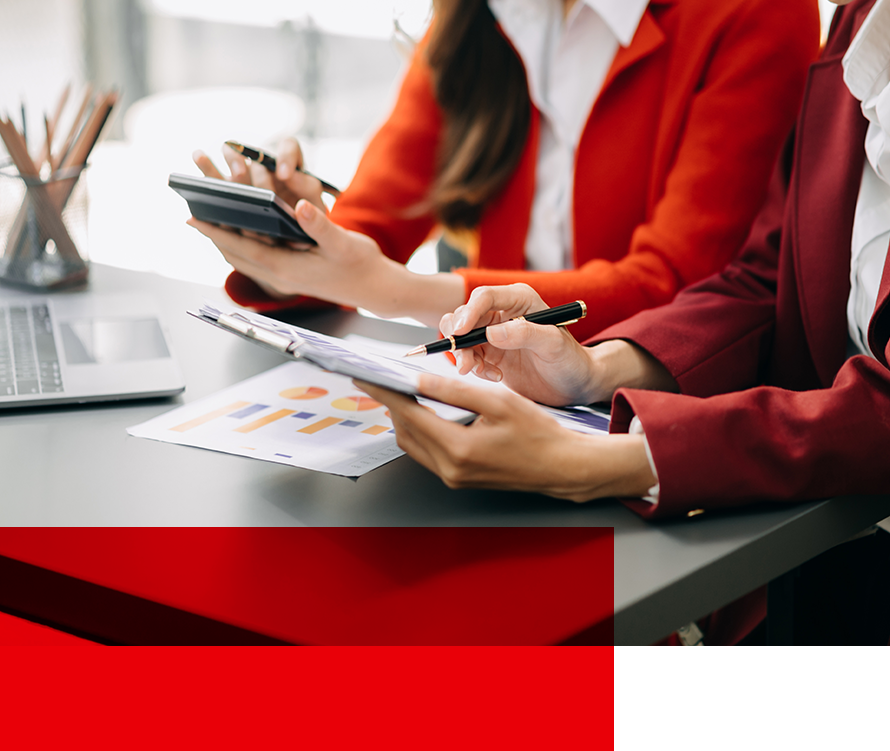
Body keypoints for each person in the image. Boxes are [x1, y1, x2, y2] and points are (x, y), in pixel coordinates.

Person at [359, 0, 890, 645]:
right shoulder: (862, 22)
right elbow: (764, 278)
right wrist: (591, 368)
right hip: (814, 553)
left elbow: (677, 270)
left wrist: (611, 461)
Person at [189, 0, 819, 338]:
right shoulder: (479, 15)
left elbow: (680, 288)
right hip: (496, 392)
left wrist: (396, 291)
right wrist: (296, 235)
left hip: (651, 430)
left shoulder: (752, 12)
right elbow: (373, 220)